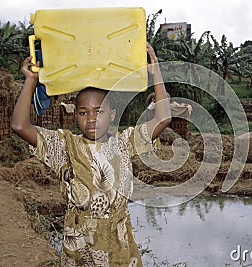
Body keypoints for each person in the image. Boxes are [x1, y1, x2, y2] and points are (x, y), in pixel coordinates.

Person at [11, 43, 171, 266]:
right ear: (75, 116)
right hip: (79, 243)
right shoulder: (65, 146)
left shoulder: (125, 143)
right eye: (83, 113)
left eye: (99, 111)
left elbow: (163, 119)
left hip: (119, 243)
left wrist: (155, 74)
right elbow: (20, 126)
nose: (92, 118)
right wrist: (31, 80)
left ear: (112, 114)